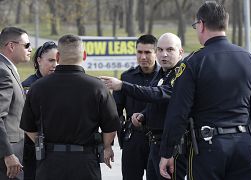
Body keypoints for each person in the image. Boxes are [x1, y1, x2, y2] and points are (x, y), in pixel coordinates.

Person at [158, 1, 251, 180]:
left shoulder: (194, 63)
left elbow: (178, 112)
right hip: (243, 145)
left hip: (208, 147)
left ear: (201, 25)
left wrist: (167, 152)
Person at [19, 34, 120, 180]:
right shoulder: (98, 87)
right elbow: (110, 128)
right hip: (85, 162)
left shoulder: (37, 87)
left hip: (50, 162)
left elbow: (28, 127)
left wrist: (45, 145)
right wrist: (106, 147)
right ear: (84, 55)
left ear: (58, 56)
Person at [101, 32, 187, 180]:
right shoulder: (159, 74)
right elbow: (115, 111)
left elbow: (159, 94)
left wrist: (123, 86)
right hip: (140, 140)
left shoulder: (181, 74)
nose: (143, 57)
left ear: (180, 52)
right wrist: (144, 115)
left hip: (169, 145)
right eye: (161, 50)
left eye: (169, 50)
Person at [113, 35, 160, 180]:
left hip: (158, 138)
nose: (143, 56)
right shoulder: (126, 78)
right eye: (139, 52)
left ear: (156, 53)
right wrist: (121, 138)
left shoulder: (164, 77)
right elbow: (116, 111)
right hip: (133, 139)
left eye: (148, 52)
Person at [21, 41, 58, 180]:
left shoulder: (62, 83)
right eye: (51, 60)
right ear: (39, 60)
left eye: (58, 60)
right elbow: (25, 121)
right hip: (33, 151)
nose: (55, 65)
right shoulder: (28, 86)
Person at [0, 26, 32, 180]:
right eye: (26, 45)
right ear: (11, 46)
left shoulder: (7, 69)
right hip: (7, 157)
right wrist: (8, 154)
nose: (30, 49)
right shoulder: (3, 72)